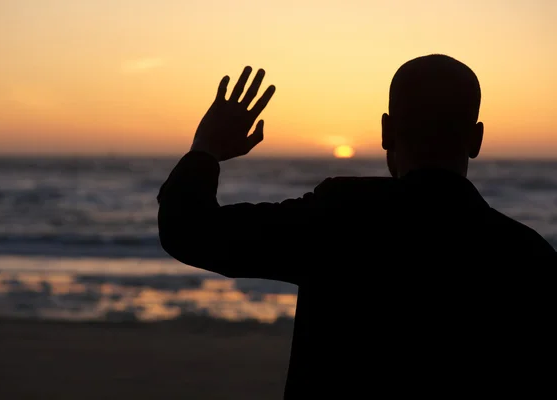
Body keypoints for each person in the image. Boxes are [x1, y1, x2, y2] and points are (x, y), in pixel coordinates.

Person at [157, 55, 556, 398]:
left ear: (386, 131)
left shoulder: (339, 217)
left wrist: (205, 149)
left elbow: (188, 230)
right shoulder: (529, 256)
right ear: (476, 139)